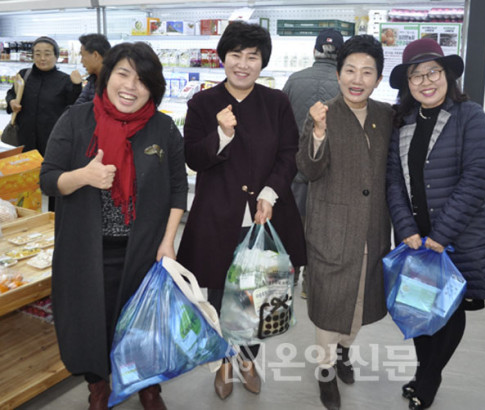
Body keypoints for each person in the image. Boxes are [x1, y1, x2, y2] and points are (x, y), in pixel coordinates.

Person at [40, 42, 188, 410]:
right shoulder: (75, 120)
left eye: (142, 80)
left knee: (145, 325)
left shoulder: (163, 127)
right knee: (90, 325)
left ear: (153, 88)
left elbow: (177, 187)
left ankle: (148, 387)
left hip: (144, 251)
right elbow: (48, 179)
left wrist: (168, 241)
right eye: (123, 74)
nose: (131, 87)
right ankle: (98, 386)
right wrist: (83, 176)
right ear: (107, 76)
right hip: (85, 250)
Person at [176, 21, 307, 401]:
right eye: (236, 55)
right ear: (223, 58)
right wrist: (222, 135)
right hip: (218, 218)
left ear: (262, 62)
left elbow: (289, 153)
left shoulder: (276, 102)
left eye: (253, 57)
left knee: (258, 294)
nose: (243, 64)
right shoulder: (202, 103)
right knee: (219, 294)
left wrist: (270, 192)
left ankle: (248, 360)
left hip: (266, 217)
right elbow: (193, 158)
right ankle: (224, 362)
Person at [386, 38, 485, 410]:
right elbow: (393, 181)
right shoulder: (402, 121)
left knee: (450, 310)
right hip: (416, 240)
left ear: (447, 74)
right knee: (420, 307)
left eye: (433, 71)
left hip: (458, 238)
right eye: (416, 76)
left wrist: (440, 235)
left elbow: (478, 178)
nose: (426, 81)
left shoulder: (470, 116)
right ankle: (424, 371)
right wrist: (406, 228)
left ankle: (429, 378)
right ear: (408, 84)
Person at [296, 35, 393, 410]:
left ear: (378, 79)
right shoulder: (322, 113)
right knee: (329, 305)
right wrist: (318, 132)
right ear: (337, 75)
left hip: (371, 229)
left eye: (367, 72)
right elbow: (308, 169)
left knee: (359, 301)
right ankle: (325, 370)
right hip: (331, 231)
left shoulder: (386, 115)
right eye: (350, 70)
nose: (357, 79)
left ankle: (344, 353)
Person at [282, 28, 344, 298]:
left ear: (314, 51)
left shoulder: (294, 80)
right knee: (321, 230)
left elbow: (281, 123)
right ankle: (311, 283)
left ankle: (289, 277)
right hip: (329, 172)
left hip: (295, 170)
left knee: (293, 225)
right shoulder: (344, 85)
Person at [5, 36, 82, 155]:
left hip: (52, 140)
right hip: (24, 139)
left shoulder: (65, 80)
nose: (42, 58)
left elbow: (74, 107)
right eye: (37, 54)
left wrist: (77, 86)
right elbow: (11, 93)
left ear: (56, 56)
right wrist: (12, 102)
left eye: (47, 54)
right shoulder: (24, 75)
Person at [75, 33, 111, 104]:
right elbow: (79, 104)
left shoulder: (114, 80)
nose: (81, 61)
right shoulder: (92, 80)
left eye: (83, 56)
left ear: (95, 55)